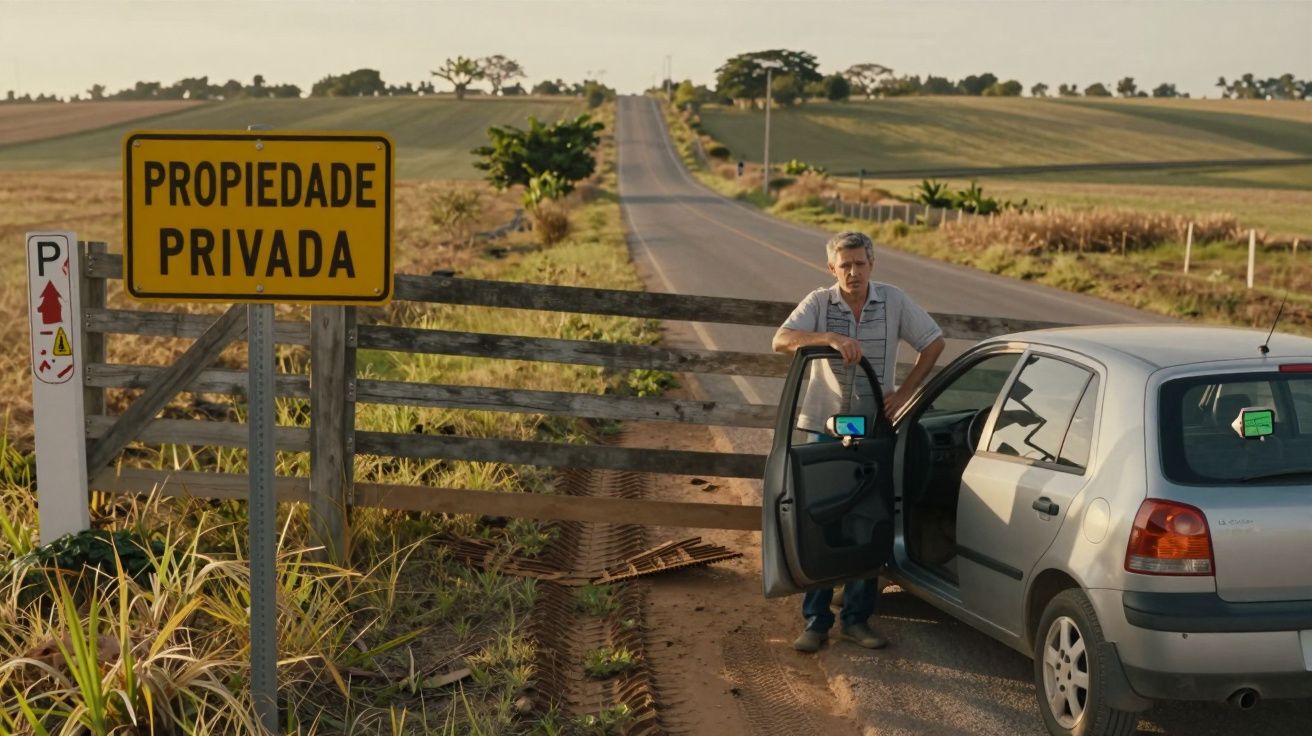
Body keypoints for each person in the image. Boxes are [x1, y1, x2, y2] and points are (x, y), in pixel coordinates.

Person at [772, 230, 945, 652]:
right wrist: (829, 338)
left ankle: (856, 619)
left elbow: (934, 342)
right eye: (845, 265)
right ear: (832, 268)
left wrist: (904, 394)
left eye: (860, 264)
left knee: (868, 518)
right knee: (821, 519)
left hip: (873, 426)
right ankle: (816, 621)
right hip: (824, 427)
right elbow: (781, 340)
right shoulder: (819, 303)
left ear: (872, 264)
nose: (853, 272)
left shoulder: (894, 300)